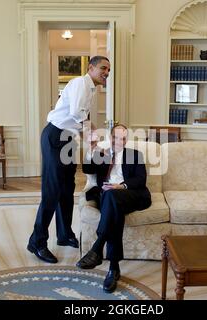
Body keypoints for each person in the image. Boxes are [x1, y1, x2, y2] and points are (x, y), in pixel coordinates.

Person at [27, 56, 111, 264]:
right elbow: (76, 114)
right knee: (52, 190)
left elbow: (80, 120)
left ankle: (64, 235)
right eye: (103, 68)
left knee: (66, 188)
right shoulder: (79, 84)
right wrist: (91, 134)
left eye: (108, 70)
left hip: (68, 138)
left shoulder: (91, 89)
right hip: (55, 136)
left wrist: (92, 144)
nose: (106, 73)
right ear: (90, 68)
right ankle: (37, 241)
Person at [76, 124, 152, 293]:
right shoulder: (102, 154)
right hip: (109, 198)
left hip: (130, 194)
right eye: (117, 138)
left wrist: (121, 186)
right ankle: (113, 268)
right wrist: (90, 150)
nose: (120, 141)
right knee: (113, 207)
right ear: (111, 138)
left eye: (124, 138)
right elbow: (87, 169)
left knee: (112, 197)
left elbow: (140, 180)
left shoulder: (135, 155)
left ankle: (97, 249)